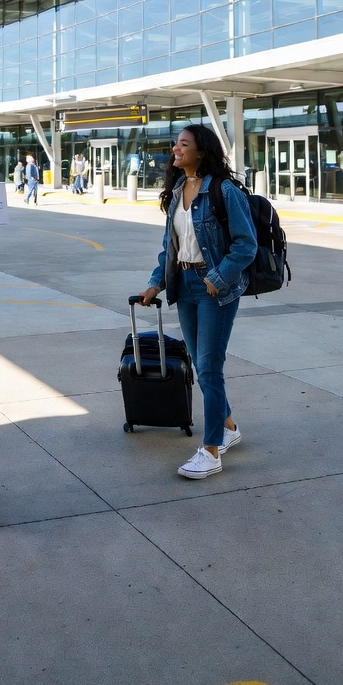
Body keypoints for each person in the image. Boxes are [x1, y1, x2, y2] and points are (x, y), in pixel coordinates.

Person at [139, 124, 257, 481]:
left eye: (183, 144)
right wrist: (155, 282)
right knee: (199, 362)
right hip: (184, 285)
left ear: (201, 151)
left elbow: (245, 245)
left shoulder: (224, 191)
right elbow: (170, 248)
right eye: (176, 144)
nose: (176, 149)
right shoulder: (176, 191)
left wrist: (217, 279)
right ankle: (229, 426)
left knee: (208, 366)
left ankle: (210, 450)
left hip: (214, 288)